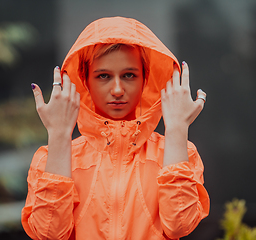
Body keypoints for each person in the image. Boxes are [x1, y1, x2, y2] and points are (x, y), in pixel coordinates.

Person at [21, 16, 209, 240]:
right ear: (85, 81)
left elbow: (180, 225)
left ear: (145, 79)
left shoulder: (178, 153)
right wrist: (59, 136)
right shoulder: (49, 158)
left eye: (129, 75)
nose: (118, 89)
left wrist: (177, 128)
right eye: (103, 76)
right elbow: (49, 233)